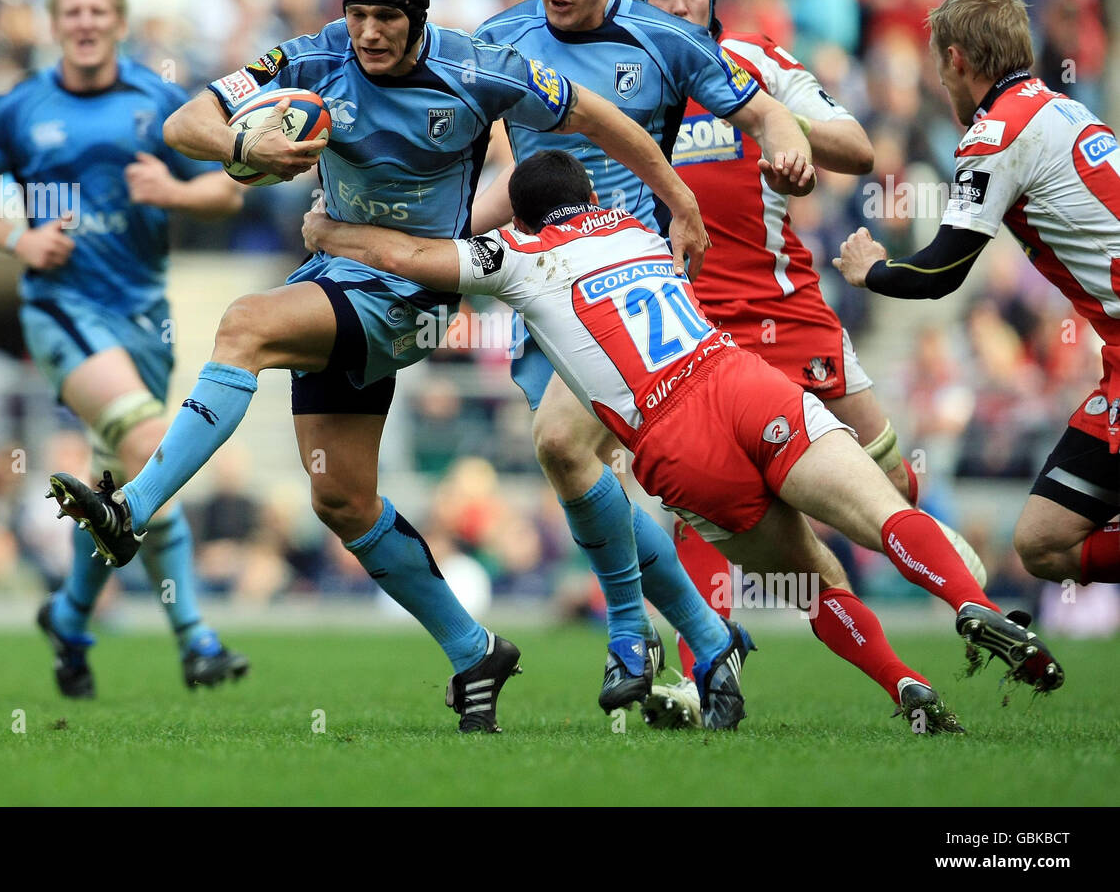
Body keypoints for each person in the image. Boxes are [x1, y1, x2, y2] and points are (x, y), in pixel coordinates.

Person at [46, 0, 736, 732]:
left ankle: (130, 510)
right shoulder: (311, 57)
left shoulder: (480, 70)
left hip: (415, 294)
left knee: (244, 325)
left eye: (387, 18)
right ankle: (474, 649)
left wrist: (678, 200)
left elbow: (596, 116)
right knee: (341, 499)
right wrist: (248, 146)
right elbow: (184, 121)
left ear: (419, 18)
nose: (369, 33)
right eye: (359, 14)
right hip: (337, 281)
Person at [304, 148, 1068, 730]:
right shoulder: (638, 227)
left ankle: (904, 684)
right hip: (739, 380)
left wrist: (330, 228)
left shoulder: (519, 257)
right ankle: (971, 602)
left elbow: (409, 257)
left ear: (528, 220)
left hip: (674, 445)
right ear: (593, 198)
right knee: (878, 512)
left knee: (817, 578)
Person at [627, 0, 987, 724]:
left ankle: (966, 593)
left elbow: (856, 148)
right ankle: (711, 673)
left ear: (713, 0)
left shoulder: (757, 62)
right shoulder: (621, 85)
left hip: (789, 315)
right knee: (709, 516)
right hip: (693, 341)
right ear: (640, 2)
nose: (681, 7)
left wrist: (779, 129)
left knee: (885, 485)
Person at [471, 0, 815, 720]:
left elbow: (758, 107)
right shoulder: (499, 37)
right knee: (585, 476)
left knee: (562, 442)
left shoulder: (665, 39)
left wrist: (785, 136)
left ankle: (632, 632)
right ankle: (707, 635)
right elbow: (465, 145)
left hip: (629, 281)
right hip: (539, 284)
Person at [0, 0, 249, 697]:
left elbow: (230, 189)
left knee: (117, 487)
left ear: (119, 22)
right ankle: (197, 638)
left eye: (97, 10)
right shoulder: (18, 110)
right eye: (71, 10)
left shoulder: (159, 102)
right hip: (61, 310)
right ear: (54, 24)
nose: (84, 21)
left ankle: (71, 618)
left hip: (145, 316)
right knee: (150, 447)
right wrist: (19, 240)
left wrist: (174, 191)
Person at [836, 0, 1120, 590]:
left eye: (940, 69)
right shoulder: (1062, 107)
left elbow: (942, 269)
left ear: (957, 60)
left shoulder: (997, 131)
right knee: (1044, 542)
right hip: (1116, 357)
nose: (941, 84)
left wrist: (872, 272)